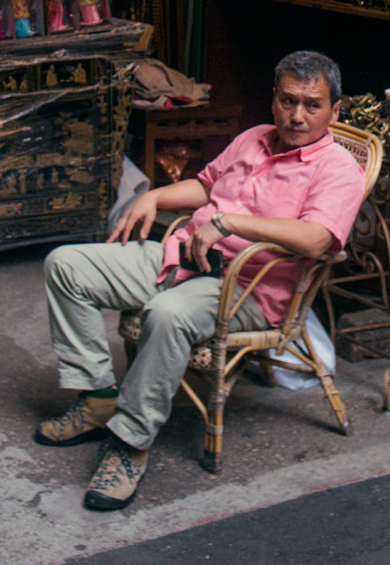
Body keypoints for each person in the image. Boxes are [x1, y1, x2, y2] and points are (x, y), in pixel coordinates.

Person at [36, 50, 366, 511]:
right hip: (184, 256)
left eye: (313, 105)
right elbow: (209, 185)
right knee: (66, 265)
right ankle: (97, 398)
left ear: (335, 108)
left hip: (246, 287)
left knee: (166, 313)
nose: (297, 116)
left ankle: (129, 443)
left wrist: (231, 224)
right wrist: (156, 196)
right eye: (288, 101)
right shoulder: (254, 138)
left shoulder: (336, 169)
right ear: (273, 99)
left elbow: (315, 239)